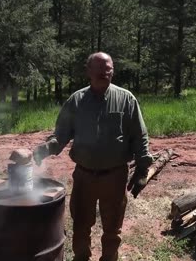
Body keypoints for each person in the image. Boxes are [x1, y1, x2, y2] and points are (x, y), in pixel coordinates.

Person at [33, 52, 153, 261]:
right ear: (88, 71)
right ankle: (81, 257)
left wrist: (143, 168)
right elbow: (60, 136)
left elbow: (139, 136)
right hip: (84, 176)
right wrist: (44, 150)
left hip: (115, 177)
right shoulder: (77, 101)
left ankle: (109, 258)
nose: (105, 72)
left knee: (113, 228)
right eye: (99, 68)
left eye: (109, 68)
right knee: (80, 224)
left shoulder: (126, 99)